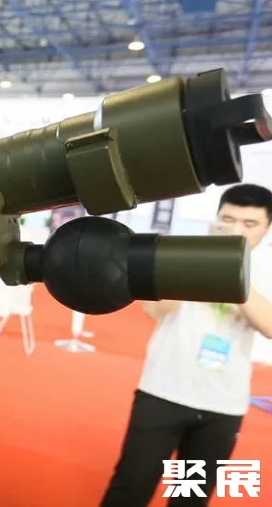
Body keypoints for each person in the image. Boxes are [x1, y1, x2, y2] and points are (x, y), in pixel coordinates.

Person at [100, 183, 272, 507]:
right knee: (131, 487)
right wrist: (200, 263)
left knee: (190, 497)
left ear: (266, 229)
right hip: (163, 392)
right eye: (228, 220)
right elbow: (154, 310)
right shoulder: (183, 256)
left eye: (249, 224)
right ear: (216, 219)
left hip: (223, 404)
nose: (236, 230)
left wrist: (234, 268)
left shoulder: (265, 273)